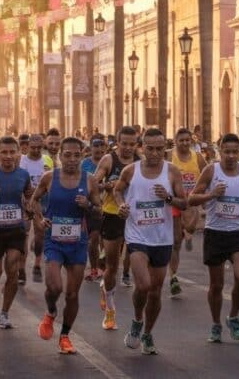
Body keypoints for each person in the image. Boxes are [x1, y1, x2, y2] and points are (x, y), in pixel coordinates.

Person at [116, 128, 187, 355]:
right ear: (142, 147)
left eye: (159, 149)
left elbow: (183, 203)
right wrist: (122, 205)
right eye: (150, 148)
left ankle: (147, 332)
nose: (155, 153)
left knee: (155, 292)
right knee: (144, 285)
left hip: (162, 239)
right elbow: (117, 192)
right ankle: (137, 320)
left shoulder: (172, 171)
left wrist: (166, 198)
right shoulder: (130, 170)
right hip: (137, 236)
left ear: (163, 149)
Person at [31, 137, 99, 354]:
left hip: (78, 242)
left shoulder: (90, 181)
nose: (71, 159)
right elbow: (33, 201)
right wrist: (40, 219)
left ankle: (65, 336)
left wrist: (88, 205)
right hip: (54, 241)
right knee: (55, 287)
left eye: (76, 155)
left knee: (71, 294)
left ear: (82, 155)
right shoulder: (50, 177)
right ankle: (51, 312)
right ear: (60, 156)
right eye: (67, 154)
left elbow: (99, 211)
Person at [188, 133, 239, 343]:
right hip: (215, 233)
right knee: (216, 285)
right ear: (220, 151)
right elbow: (192, 198)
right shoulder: (211, 171)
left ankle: (233, 316)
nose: (231, 156)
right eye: (226, 151)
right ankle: (216, 323)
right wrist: (211, 195)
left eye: (235, 152)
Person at [90, 126, 140, 331]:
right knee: (112, 265)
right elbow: (93, 184)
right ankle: (110, 310)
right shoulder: (109, 160)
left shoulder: (141, 162)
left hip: (136, 215)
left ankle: (109, 288)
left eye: (132, 144)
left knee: (135, 261)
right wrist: (107, 185)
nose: (128, 148)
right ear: (117, 143)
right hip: (112, 213)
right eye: (124, 143)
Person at [0, 136, 32, 329]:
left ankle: (4, 313)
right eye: (4, 152)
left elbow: (28, 196)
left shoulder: (23, 174)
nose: (9, 156)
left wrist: (29, 207)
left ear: (19, 154)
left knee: (12, 269)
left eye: (13, 152)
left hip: (16, 229)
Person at [167, 128, 206, 298]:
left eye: (187, 140)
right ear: (175, 141)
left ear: (192, 141)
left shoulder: (197, 157)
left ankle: (187, 233)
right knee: (175, 242)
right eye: (181, 140)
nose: (184, 143)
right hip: (175, 202)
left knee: (190, 228)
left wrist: (206, 196)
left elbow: (207, 175)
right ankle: (173, 277)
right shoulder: (169, 156)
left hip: (192, 203)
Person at [18, 133, 52, 285]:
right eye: (33, 147)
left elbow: (53, 180)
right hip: (24, 201)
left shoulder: (47, 160)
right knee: (24, 235)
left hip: (41, 201)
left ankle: (37, 263)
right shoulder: (21, 161)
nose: (36, 150)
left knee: (40, 235)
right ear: (27, 146)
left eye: (39, 147)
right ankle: (21, 269)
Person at [81, 136, 107, 281]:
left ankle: (106, 268)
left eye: (101, 145)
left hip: (109, 205)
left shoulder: (109, 162)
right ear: (90, 148)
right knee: (93, 240)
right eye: (96, 146)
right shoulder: (84, 163)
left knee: (106, 241)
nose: (99, 149)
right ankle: (95, 269)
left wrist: (109, 186)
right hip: (91, 207)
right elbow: (80, 181)